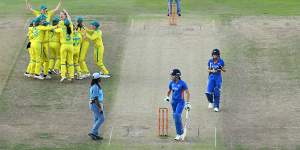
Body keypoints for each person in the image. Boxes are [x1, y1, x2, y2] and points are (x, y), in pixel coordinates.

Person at [164, 69, 191, 141]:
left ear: (177, 76)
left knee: (176, 115)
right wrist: (167, 97)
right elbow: (169, 90)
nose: (171, 77)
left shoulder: (182, 83)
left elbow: (187, 93)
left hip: (180, 102)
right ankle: (179, 132)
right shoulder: (171, 83)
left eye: (172, 75)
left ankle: (179, 133)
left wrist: (188, 103)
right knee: (175, 117)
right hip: (173, 102)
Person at [54, 10, 75, 82]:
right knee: (70, 61)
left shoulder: (60, 23)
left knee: (63, 61)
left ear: (64, 16)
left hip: (63, 46)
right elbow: (69, 20)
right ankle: (71, 76)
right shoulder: (71, 25)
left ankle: (63, 75)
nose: (60, 16)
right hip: (71, 46)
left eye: (61, 14)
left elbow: (55, 29)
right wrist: (67, 13)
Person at [88, 72, 106, 140]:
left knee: (96, 119)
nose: (101, 78)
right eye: (100, 77)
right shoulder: (95, 87)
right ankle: (93, 132)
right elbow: (95, 99)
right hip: (95, 104)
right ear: (98, 79)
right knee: (101, 118)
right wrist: (100, 108)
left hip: (95, 104)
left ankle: (95, 134)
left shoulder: (96, 85)